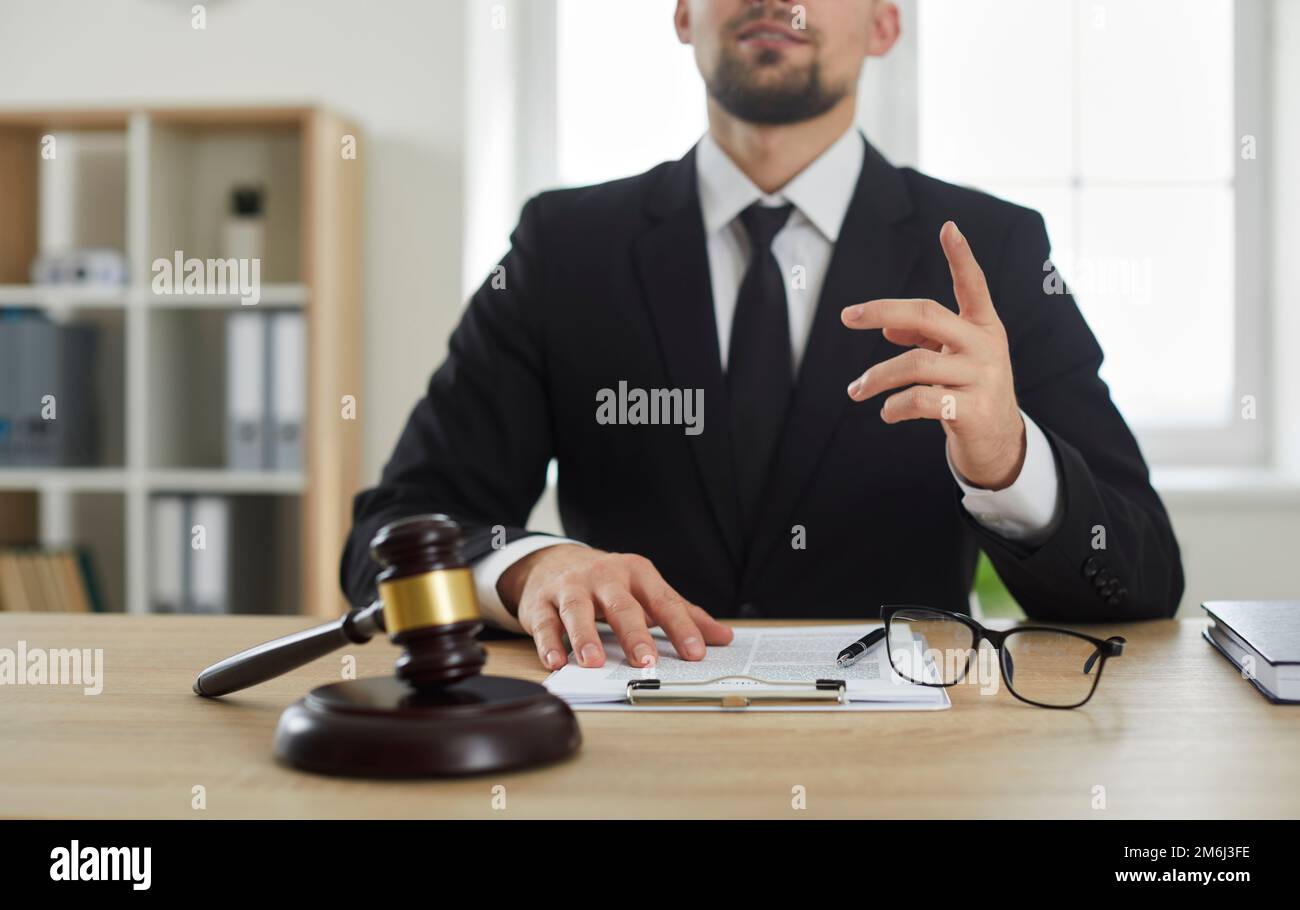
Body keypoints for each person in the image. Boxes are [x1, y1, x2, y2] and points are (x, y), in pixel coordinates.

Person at [341, 0, 1183, 672]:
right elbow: (390, 536)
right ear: (682, 13)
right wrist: (530, 568)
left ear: (885, 23)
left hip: (910, 778)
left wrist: (1010, 460)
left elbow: (1143, 582)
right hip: (624, 766)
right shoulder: (562, 247)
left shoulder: (992, 251)